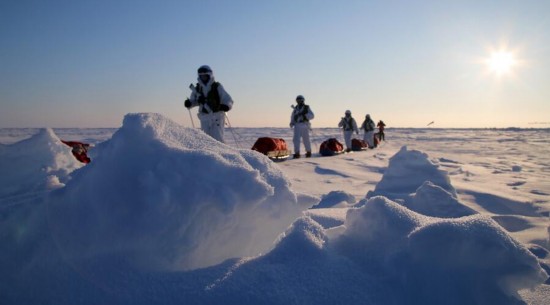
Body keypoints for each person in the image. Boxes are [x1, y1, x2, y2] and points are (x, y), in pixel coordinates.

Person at [185, 65, 233, 143]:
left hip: (217, 116)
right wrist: (189, 103)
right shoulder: (198, 88)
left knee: (217, 139)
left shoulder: (217, 86)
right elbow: (194, 101)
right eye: (201, 76)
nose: (203, 78)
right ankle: (208, 154)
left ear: (209, 75)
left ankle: (220, 153)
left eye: (205, 76)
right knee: (206, 140)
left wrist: (226, 106)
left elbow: (228, 99)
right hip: (204, 117)